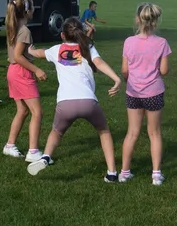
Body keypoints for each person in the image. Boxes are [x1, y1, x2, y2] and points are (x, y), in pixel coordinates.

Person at [26, 17, 122, 182]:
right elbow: (99, 63)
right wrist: (116, 79)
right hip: (88, 102)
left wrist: (30, 49)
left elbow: (39, 53)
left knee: (56, 131)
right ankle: (112, 173)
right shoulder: (88, 47)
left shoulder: (57, 49)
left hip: (65, 103)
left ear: (62, 35)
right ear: (82, 33)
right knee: (104, 131)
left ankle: (46, 157)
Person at [119, 3, 171, 186]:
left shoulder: (128, 42)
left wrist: (130, 80)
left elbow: (124, 70)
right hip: (154, 92)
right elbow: (164, 71)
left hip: (133, 92)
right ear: (155, 21)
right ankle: (156, 174)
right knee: (154, 133)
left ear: (137, 19)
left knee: (132, 133)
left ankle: (124, 172)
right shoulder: (162, 43)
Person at [2, 0, 47, 162]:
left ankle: (10, 145)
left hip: (13, 72)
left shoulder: (14, 26)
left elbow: (26, 51)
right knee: (38, 112)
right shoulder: (25, 30)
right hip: (21, 73)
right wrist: (37, 70)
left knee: (22, 110)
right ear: (27, 10)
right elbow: (19, 56)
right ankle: (33, 151)